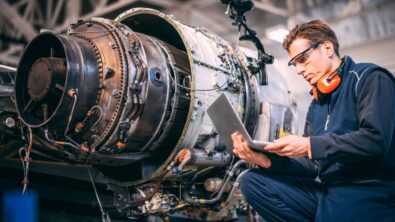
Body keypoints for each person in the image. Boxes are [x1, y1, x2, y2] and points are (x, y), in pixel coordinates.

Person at [231, 20, 395, 221]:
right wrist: (264, 160)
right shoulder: (317, 104)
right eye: (295, 64)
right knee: (252, 182)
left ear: (327, 48)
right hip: (330, 192)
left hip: (370, 189)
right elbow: (311, 167)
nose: (299, 70)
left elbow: (375, 140)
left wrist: (309, 144)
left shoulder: (370, 78)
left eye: (303, 59)